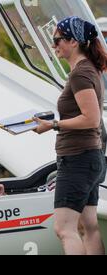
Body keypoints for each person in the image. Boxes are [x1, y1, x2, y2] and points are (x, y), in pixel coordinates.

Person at [33, 16, 107, 255]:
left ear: (73, 41)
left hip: (77, 159)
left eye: (57, 40)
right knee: (89, 227)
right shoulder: (88, 70)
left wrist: (53, 124)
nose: (54, 46)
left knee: (64, 229)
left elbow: (91, 118)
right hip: (90, 158)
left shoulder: (80, 74)